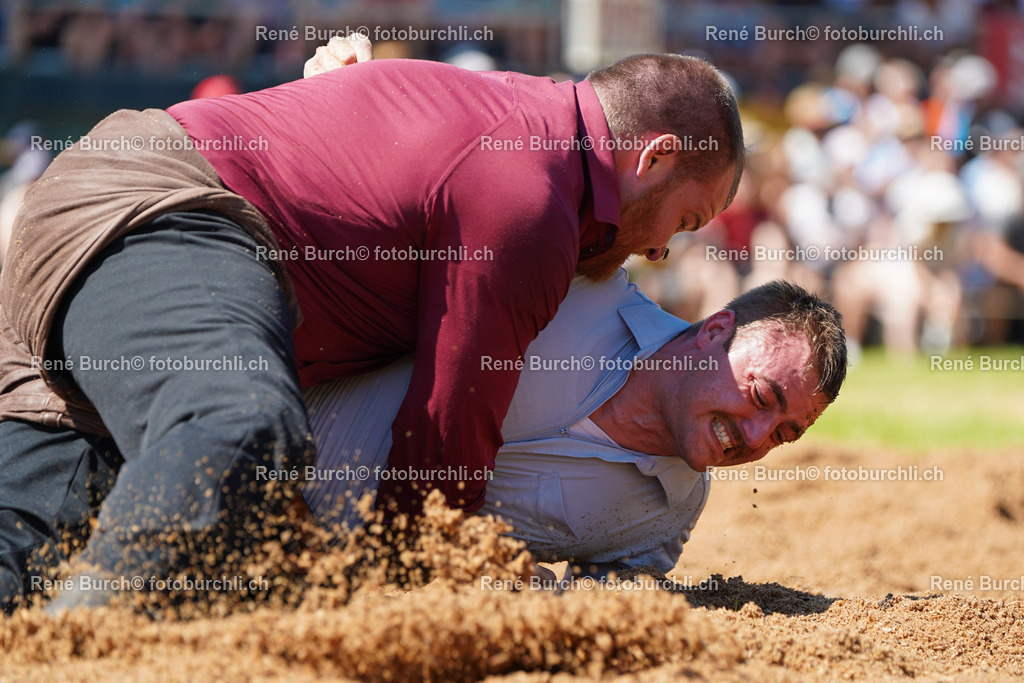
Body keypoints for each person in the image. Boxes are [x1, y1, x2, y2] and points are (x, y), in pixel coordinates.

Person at [0, 42, 743, 610]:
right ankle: (87, 647)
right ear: (654, 157)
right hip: (161, 213)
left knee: (24, 561)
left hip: (104, 281)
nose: (659, 251)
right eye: (684, 221)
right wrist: (412, 576)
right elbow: (446, 431)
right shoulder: (533, 190)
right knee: (243, 431)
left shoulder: (523, 128)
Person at [303, 272, 847, 576]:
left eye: (783, 434)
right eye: (761, 397)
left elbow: (600, 612)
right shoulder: (577, 286)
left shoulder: (670, 512)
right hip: (261, 442)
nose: (755, 438)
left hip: (302, 580)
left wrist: (522, 586)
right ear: (715, 331)